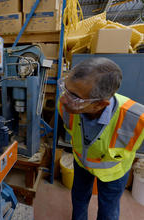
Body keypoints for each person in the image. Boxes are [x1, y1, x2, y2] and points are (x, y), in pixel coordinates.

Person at [57, 57, 144, 220]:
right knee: (79, 198)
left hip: (113, 172)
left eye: (74, 97)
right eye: (64, 88)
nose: (63, 99)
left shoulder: (136, 118)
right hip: (82, 162)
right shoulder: (66, 105)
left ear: (100, 105)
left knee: (108, 210)